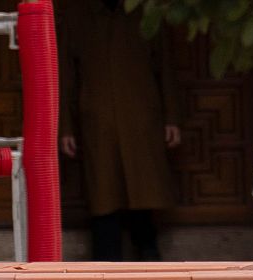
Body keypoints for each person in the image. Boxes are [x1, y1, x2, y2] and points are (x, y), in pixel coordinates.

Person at [57, 0, 181, 261]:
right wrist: (65, 127)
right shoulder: (78, 15)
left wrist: (172, 118)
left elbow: (166, 68)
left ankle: (148, 252)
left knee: (143, 188)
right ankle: (106, 258)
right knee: (103, 192)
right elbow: (66, 75)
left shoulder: (146, 12)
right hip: (97, 119)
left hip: (141, 115)